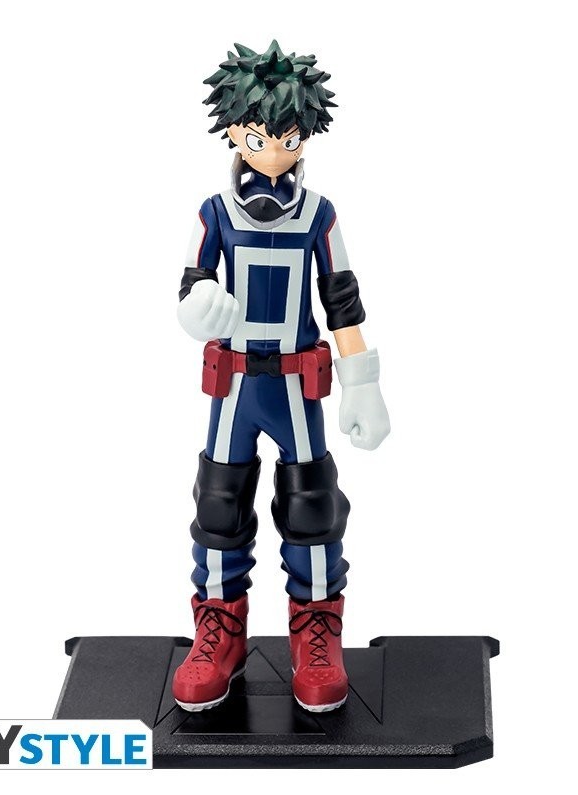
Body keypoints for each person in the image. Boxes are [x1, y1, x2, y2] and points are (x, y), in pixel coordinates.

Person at [173, 41, 390, 713]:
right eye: (259, 136)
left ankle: (317, 627)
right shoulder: (215, 213)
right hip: (236, 383)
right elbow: (191, 283)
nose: (272, 151)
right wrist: (198, 307)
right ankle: (219, 624)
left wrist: (361, 381)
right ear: (234, 132)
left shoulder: (319, 216)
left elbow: (341, 299)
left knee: (313, 506)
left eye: (288, 137)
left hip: (297, 384)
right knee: (219, 504)